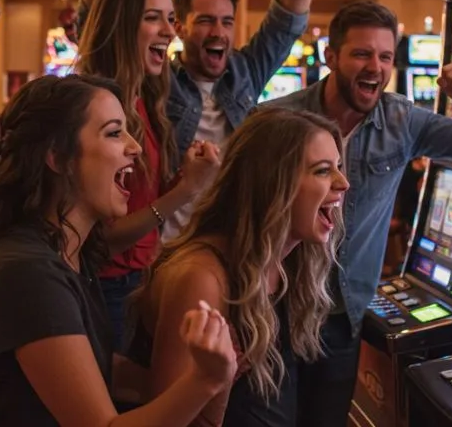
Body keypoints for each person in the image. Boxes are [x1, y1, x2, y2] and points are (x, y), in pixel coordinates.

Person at [265, 0, 452, 426]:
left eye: (385, 56)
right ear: (331, 57)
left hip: (341, 313)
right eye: (362, 54)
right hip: (275, 305)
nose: (376, 66)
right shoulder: (280, 119)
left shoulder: (401, 120)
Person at [0, 74, 237, 427]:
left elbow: (95, 365)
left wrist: (180, 378)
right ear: (57, 157)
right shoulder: (26, 272)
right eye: (114, 132)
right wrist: (204, 380)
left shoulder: (68, 251)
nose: (134, 147)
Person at [79, 0, 321, 241]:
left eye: (226, 22)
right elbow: (97, 20)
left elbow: (289, 20)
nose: (218, 32)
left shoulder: (243, 73)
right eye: (206, 20)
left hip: (227, 241)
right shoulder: (158, 80)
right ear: (180, 27)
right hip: (162, 246)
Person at [132, 107, 349, 426]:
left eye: (338, 168)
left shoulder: (285, 262)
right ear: (272, 184)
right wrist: (215, 381)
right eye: (322, 170)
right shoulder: (203, 277)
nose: (342, 183)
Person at [75, 0, 221, 353]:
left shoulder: (144, 100)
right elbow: (98, 241)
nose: (169, 31)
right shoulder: (96, 108)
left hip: (139, 277)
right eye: (153, 18)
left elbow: (139, 203)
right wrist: (186, 191)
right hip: (105, 284)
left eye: (170, 19)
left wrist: (187, 178)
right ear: (121, 26)